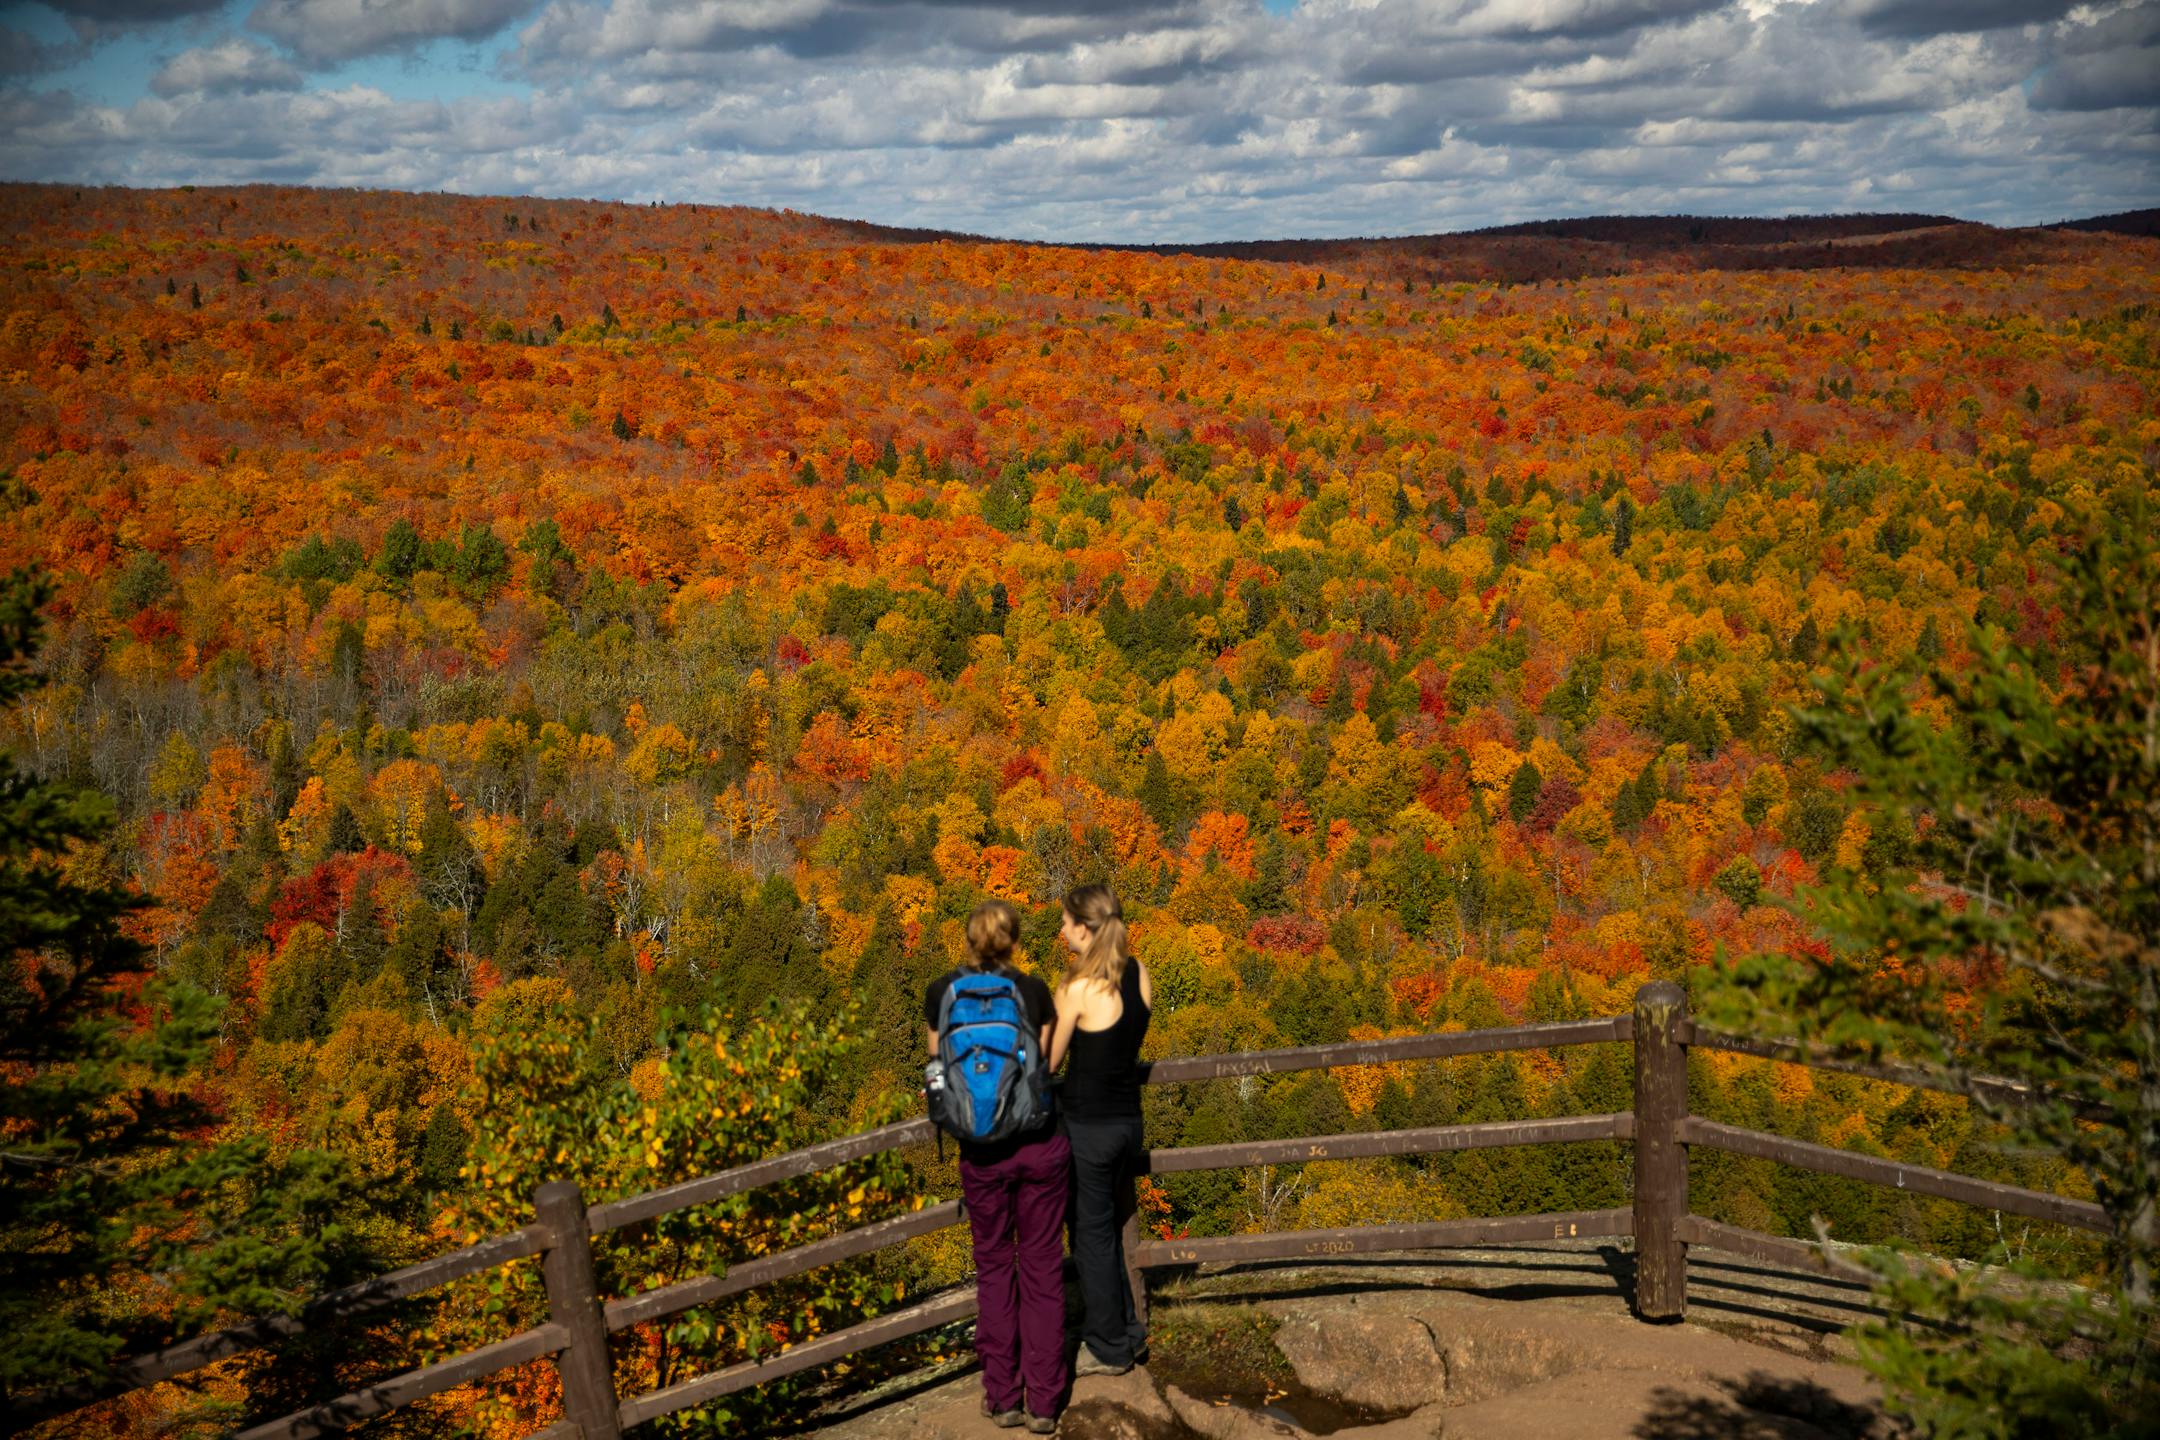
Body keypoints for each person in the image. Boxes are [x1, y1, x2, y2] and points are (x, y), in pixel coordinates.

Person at [923, 900, 1069, 1434]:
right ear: (1012, 941)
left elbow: (940, 1074)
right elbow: (1045, 1068)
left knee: (993, 1270)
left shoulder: (943, 994)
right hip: (1037, 1147)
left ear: (968, 941)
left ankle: (1004, 1397)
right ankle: (1045, 1403)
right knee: (1042, 1270)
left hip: (981, 1156)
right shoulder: (1032, 992)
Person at [1048, 883, 1152, 1378]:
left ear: (1085, 929)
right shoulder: (1139, 976)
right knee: (1109, 1230)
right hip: (1129, 1123)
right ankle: (1130, 1332)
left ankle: (1109, 1346)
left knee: (1090, 1237)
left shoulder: (1078, 989)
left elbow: (1048, 1060)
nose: (1061, 929)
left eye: (1067, 922)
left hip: (1088, 1128)